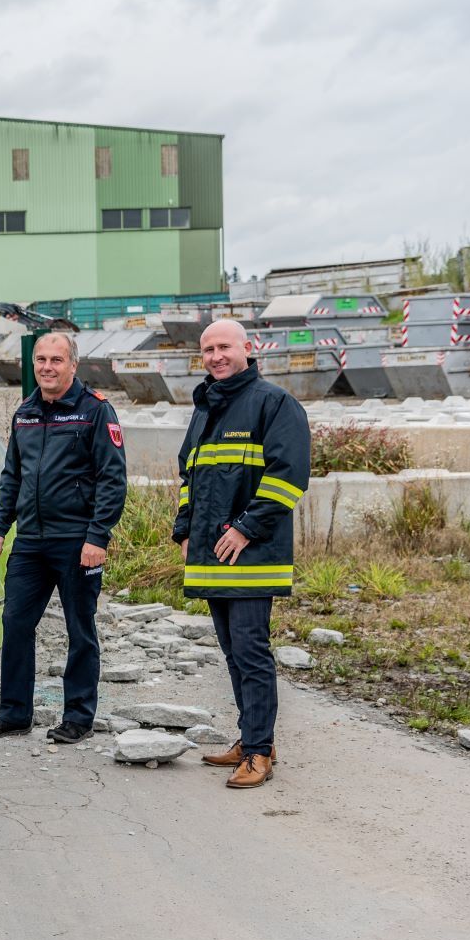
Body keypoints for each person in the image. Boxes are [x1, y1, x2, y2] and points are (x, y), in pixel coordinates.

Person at [173, 319, 311, 788]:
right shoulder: (206, 408)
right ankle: (254, 738)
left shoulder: (273, 403)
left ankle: (258, 753)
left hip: (252, 556)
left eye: (224, 346)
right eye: (208, 349)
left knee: (251, 652)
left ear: (247, 349)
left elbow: (288, 477)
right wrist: (184, 530)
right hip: (212, 555)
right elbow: (190, 476)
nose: (216, 356)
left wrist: (246, 529)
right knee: (233, 654)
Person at [0, 331, 127, 745]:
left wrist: (98, 536)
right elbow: (13, 478)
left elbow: (113, 480)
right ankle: (14, 713)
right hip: (31, 543)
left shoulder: (95, 412)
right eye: (40, 359)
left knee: (81, 629)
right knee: (15, 623)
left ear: (73, 365)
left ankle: (78, 717)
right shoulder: (24, 412)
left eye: (56, 360)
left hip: (78, 542)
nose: (47, 367)